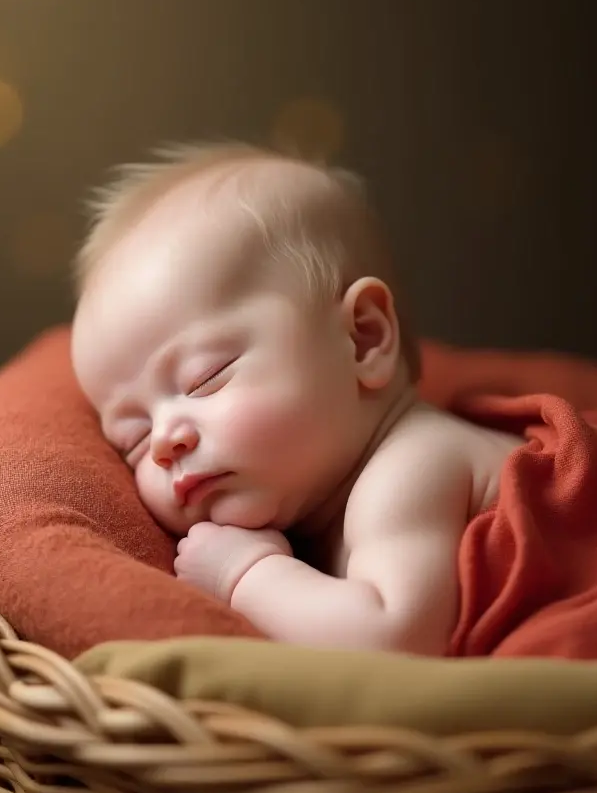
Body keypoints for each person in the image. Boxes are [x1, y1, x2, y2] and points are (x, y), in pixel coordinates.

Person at [71, 141, 522, 655]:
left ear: (363, 338)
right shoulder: (324, 504)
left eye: (205, 378)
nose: (163, 444)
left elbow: (394, 641)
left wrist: (247, 574)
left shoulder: (411, 468)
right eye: (134, 438)